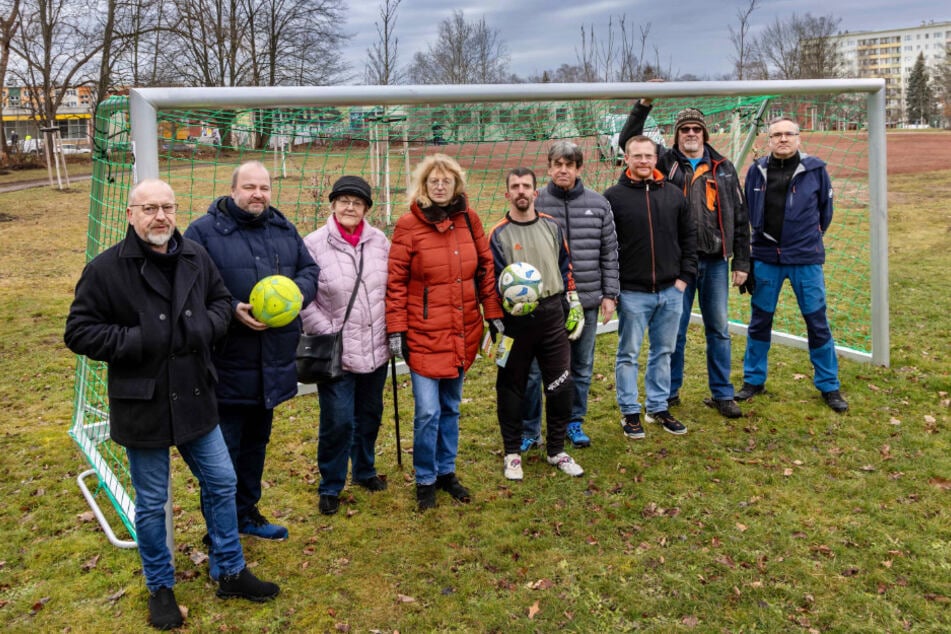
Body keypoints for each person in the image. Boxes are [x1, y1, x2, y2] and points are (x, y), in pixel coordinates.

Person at [64, 179, 279, 630]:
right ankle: (160, 587)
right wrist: (140, 340)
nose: (159, 217)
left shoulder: (196, 257)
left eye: (167, 207)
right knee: (152, 501)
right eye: (149, 209)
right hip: (142, 403)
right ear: (130, 214)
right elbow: (79, 331)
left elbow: (221, 302)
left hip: (197, 395)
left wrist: (207, 326)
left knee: (222, 482)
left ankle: (230, 569)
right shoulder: (105, 269)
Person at [184, 160, 319, 540]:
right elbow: (189, 290)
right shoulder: (203, 233)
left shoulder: (282, 227)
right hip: (226, 366)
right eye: (249, 187)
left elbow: (310, 272)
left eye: (264, 187)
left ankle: (246, 515)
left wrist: (294, 297)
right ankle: (219, 533)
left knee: (255, 447)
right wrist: (231, 309)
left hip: (272, 365)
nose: (257, 194)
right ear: (233, 190)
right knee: (222, 456)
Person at [385, 153, 504, 511]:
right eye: (433, 181)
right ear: (423, 186)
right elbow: (395, 282)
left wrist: (493, 313)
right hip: (423, 333)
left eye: (446, 181)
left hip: (462, 329)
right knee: (427, 412)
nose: (440, 186)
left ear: (456, 185)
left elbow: (485, 269)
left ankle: (445, 471)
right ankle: (424, 479)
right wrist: (396, 329)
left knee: (451, 407)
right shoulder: (408, 225)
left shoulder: (470, 220)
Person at [619, 100, 750, 418]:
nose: (691, 133)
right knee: (672, 331)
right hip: (677, 265)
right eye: (684, 130)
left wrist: (743, 262)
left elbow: (740, 215)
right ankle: (669, 392)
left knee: (718, 328)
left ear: (704, 134)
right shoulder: (664, 161)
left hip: (716, 262)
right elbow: (630, 141)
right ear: (676, 135)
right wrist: (642, 106)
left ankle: (722, 394)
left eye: (696, 129)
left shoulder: (724, 167)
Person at [736, 117, 848, 413]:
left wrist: (806, 240)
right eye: (777, 135)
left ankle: (829, 385)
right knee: (760, 320)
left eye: (789, 134)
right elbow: (746, 213)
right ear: (769, 140)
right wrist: (748, 257)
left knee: (816, 321)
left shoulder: (816, 170)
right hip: (765, 259)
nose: (783, 139)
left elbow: (826, 212)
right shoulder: (756, 171)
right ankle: (753, 380)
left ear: (799, 138)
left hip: (805, 259)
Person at [519, 141, 619, 451]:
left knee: (581, 367)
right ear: (548, 168)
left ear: (579, 168)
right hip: (544, 304)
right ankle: (530, 430)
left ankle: (573, 422)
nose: (563, 170)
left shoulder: (599, 204)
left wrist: (609, 294)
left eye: (570, 164)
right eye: (557, 164)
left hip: (587, 301)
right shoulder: (534, 204)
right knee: (534, 370)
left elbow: (610, 252)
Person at [300, 176, 390, 517]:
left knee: (369, 416)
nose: (350, 206)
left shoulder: (380, 241)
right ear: (333, 204)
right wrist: (327, 331)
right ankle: (331, 484)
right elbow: (303, 299)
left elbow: (391, 288)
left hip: (375, 347)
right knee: (338, 422)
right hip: (336, 352)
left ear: (367, 208)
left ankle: (364, 470)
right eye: (343, 200)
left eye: (357, 201)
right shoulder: (313, 245)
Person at [490, 167, 586, 481]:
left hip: (551, 314)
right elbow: (491, 279)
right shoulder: (498, 234)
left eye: (526, 186)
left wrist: (573, 302)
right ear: (507, 193)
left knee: (560, 384)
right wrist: (503, 307)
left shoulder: (552, 226)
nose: (521, 191)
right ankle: (512, 453)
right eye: (514, 186)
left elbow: (566, 266)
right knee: (511, 387)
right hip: (513, 320)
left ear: (535, 192)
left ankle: (556, 450)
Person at [604, 136, 697, 439]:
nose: (643, 161)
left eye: (648, 156)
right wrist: (614, 287)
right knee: (628, 353)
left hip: (671, 291)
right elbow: (606, 246)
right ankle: (630, 411)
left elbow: (689, 239)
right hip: (632, 292)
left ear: (657, 159)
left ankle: (658, 406)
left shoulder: (673, 195)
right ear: (626, 159)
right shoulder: (613, 197)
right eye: (637, 156)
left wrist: (683, 278)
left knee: (664, 351)